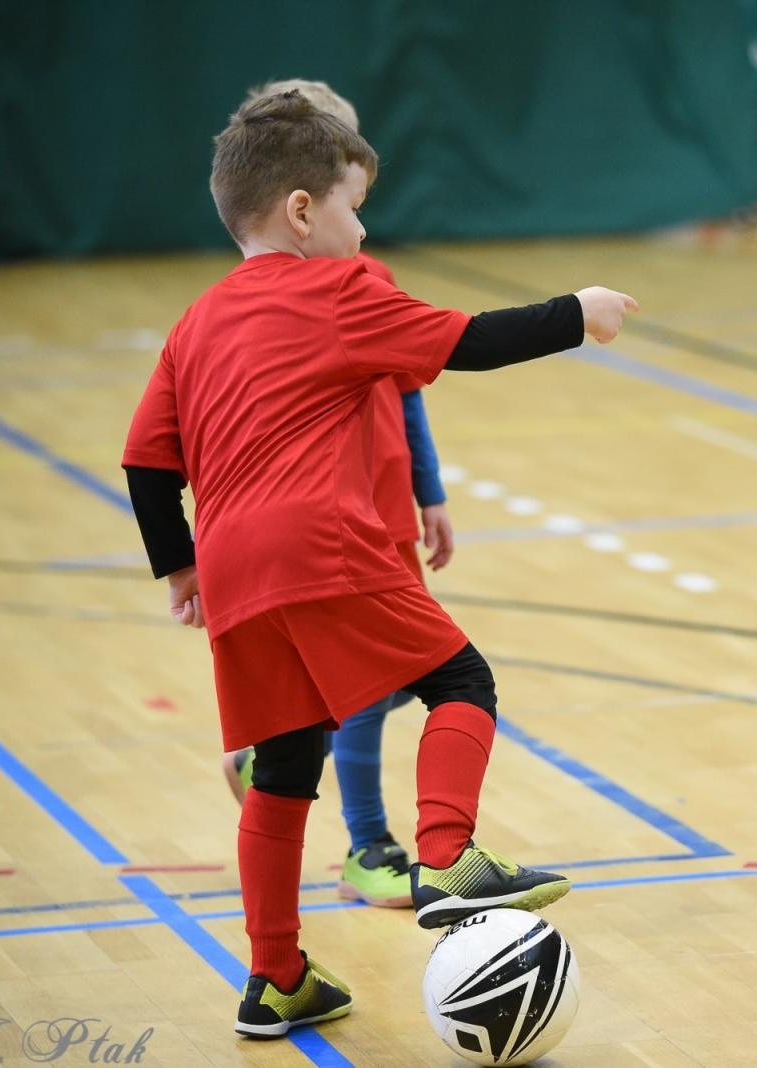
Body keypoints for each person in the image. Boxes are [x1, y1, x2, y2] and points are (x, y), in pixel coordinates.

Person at [122, 90, 637, 1036]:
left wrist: (181, 568)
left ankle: (277, 977)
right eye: (353, 208)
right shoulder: (337, 290)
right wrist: (580, 312)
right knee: (461, 681)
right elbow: (470, 341)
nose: (362, 231)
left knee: (283, 766)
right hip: (323, 546)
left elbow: (146, 462)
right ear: (302, 211)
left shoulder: (194, 323)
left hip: (234, 568)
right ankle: (445, 854)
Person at [213, 79, 459, 913]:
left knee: (390, 676)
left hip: (382, 505)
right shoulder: (272, 300)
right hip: (330, 512)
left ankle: (281, 752)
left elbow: (410, 388)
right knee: (378, 679)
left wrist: (428, 490)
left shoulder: (366, 275)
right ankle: (369, 844)